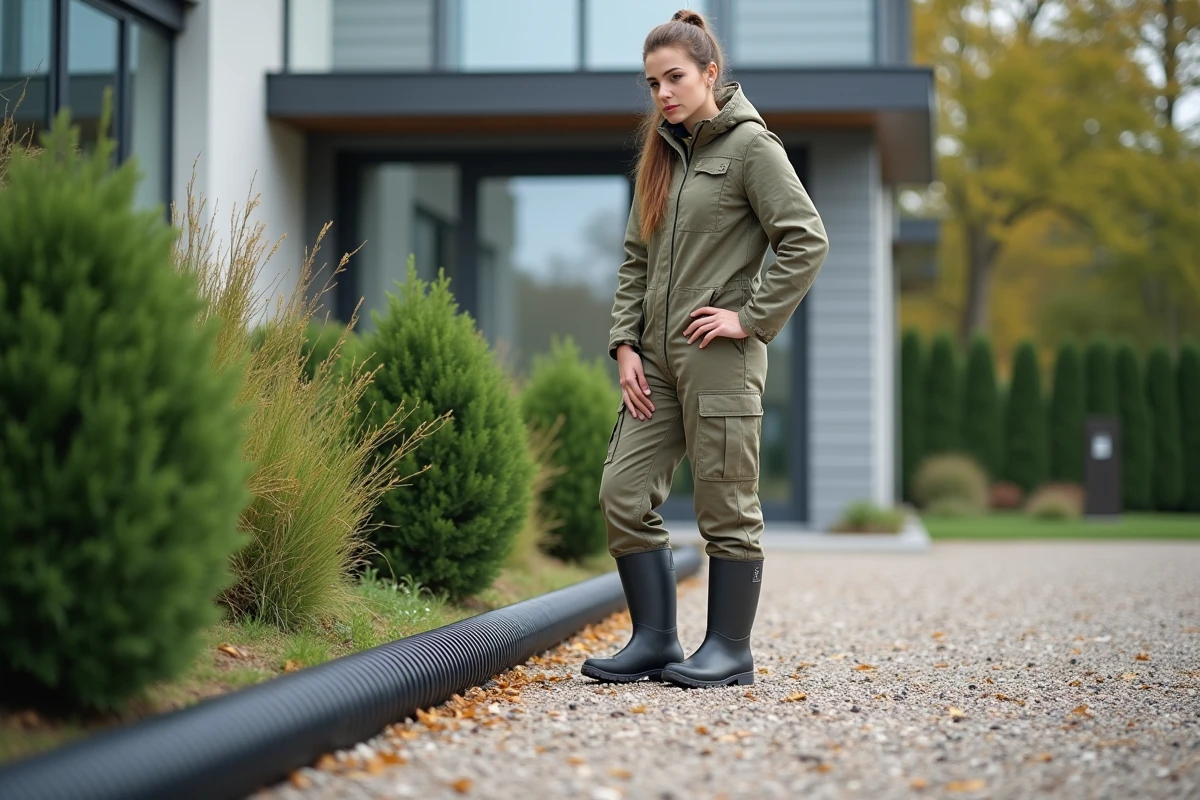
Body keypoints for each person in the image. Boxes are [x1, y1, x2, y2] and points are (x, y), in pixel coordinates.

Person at [581, 9, 829, 689]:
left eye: (675, 78)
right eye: (653, 82)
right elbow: (636, 258)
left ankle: (729, 651)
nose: (662, 93)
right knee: (623, 493)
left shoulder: (752, 148)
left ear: (710, 74)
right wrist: (624, 344)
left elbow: (806, 238)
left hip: (719, 358)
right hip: (652, 362)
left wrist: (750, 318)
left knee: (726, 505)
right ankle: (655, 642)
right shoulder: (660, 154)